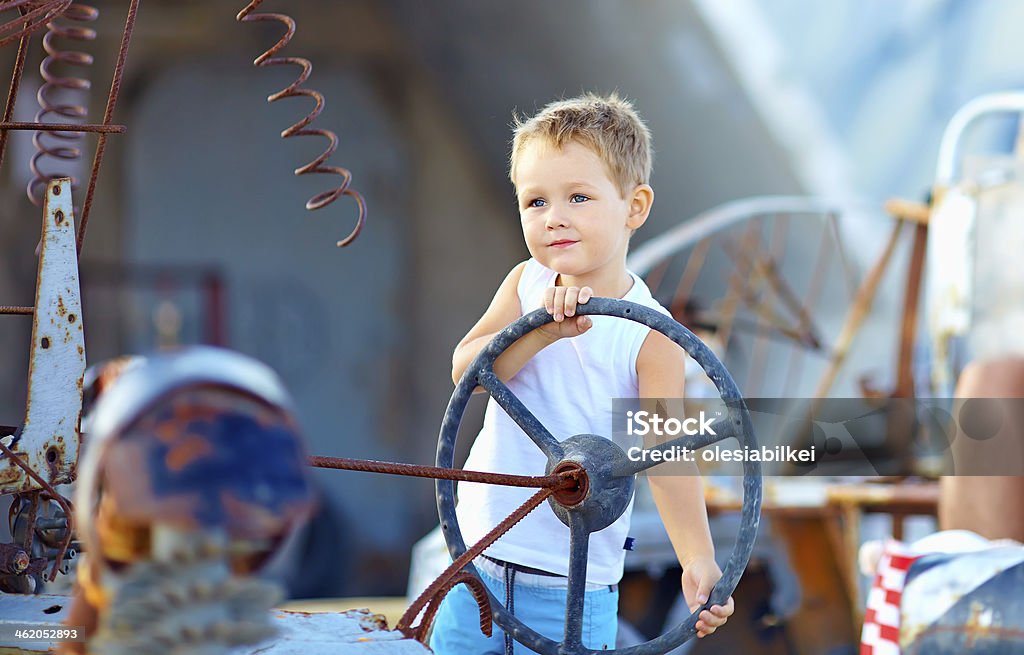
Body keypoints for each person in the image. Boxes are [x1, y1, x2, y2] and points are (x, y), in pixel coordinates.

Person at [429, 93, 733, 654]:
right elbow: (465, 371)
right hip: (476, 558)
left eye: (578, 197)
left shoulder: (651, 336)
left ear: (634, 207)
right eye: (535, 201)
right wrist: (537, 329)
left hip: (573, 582)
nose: (554, 217)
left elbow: (665, 452)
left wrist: (698, 559)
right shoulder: (524, 284)